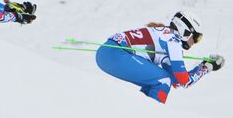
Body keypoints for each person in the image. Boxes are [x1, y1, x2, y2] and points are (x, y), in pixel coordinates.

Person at [95, 11, 225, 104]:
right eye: (196, 37)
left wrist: (204, 67)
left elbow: (177, 81)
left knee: (157, 81)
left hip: (107, 53)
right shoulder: (173, 40)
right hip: (116, 54)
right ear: (187, 31)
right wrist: (206, 68)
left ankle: (138, 113)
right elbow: (183, 81)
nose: (195, 42)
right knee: (163, 80)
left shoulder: (164, 35)